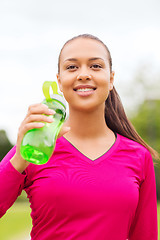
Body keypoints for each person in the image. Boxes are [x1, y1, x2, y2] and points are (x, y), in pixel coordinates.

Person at [0, 34, 159, 240]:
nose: (83, 74)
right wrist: (19, 160)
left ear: (111, 79)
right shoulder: (35, 145)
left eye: (95, 66)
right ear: (59, 81)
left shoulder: (138, 156)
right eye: (72, 67)